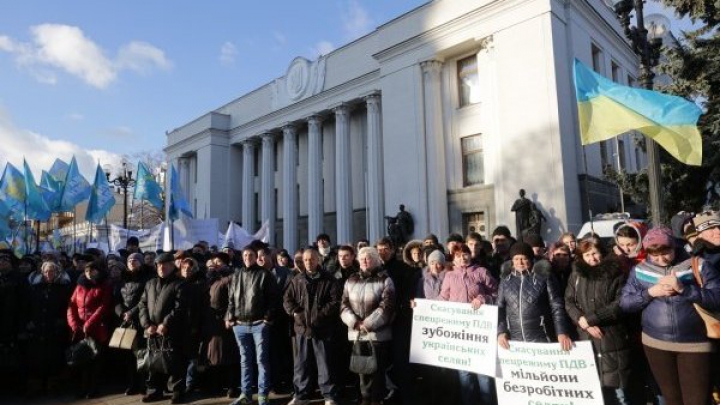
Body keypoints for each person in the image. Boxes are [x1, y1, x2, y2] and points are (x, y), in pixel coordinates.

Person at [621, 226, 720, 405]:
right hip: (656, 344)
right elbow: (625, 303)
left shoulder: (698, 264)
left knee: (698, 400)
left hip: (695, 344)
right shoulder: (639, 270)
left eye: (665, 252)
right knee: (672, 400)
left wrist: (684, 290)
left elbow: (717, 298)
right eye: (654, 254)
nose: (660, 259)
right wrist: (651, 292)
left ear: (674, 246)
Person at [565, 240, 631, 405]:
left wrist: (591, 319)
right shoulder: (577, 275)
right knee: (596, 395)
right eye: (587, 255)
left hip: (612, 339)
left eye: (594, 253)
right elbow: (569, 301)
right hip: (586, 339)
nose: (592, 258)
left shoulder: (616, 273)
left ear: (602, 253)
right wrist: (582, 321)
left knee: (620, 394)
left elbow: (619, 304)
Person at [439, 245, 498, 405]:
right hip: (459, 333)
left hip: (480, 331)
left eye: (465, 254)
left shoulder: (481, 272)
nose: (462, 258)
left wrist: (483, 299)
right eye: (458, 256)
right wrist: (421, 307)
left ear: (470, 255)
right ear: (453, 258)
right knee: (464, 374)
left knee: (483, 374)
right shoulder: (449, 276)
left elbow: (497, 293)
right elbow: (442, 299)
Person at [284, 249, 342, 405]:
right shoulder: (297, 280)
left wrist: (318, 317)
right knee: (301, 364)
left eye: (312, 259)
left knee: (325, 363)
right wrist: (296, 313)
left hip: (322, 329)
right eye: (306, 260)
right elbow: (287, 299)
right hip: (302, 329)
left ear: (318, 260)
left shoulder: (329, 279)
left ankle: (329, 396)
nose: (309, 262)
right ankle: (301, 395)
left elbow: (334, 302)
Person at [340, 247, 395, 405]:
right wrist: (354, 322)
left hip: (377, 335)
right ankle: (365, 399)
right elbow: (343, 304)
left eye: (369, 257)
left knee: (377, 372)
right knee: (361, 371)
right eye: (362, 258)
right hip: (357, 334)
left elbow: (388, 306)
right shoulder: (351, 279)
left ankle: (376, 400)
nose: (365, 260)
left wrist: (368, 324)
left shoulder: (385, 279)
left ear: (376, 259)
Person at [225, 247, 278, 405]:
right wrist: (230, 317)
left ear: (256, 257)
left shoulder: (264, 275)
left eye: (251, 255)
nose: (248, 257)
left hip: (258, 324)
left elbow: (273, 299)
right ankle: (245, 394)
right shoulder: (236, 275)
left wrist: (267, 319)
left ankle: (262, 394)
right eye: (245, 255)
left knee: (261, 360)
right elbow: (230, 299)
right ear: (242, 257)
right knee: (245, 361)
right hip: (239, 325)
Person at [497, 242, 573, 349]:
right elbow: (499, 308)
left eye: (523, 258)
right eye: (516, 258)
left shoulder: (544, 276)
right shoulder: (505, 280)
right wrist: (501, 332)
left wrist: (561, 332)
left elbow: (556, 306)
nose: (520, 262)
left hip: (542, 337)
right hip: (514, 340)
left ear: (530, 259)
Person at [139, 252, 187, 404]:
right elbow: (142, 305)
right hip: (152, 331)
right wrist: (146, 324)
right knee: (154, 362)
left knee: (174, 361)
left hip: (172, 330)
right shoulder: (150, 283)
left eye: (165, 264)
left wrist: (166, 323)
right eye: (159, 265)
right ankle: (154, 390)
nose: (161, 267)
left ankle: (177, 391)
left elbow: (180, 307)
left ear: (172, 266)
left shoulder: (180, 283)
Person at [377, 237, 419, 405]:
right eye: (379, 249)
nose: (383, 252)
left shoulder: (403, 268)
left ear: (392, 250)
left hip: (400, 321)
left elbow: (408, 294)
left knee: (400, 360)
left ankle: (406, 395)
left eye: (386, 249)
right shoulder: (377, 269)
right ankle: (389, 392)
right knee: (384, 361)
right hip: (381, 322)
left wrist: (400, 310)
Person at [67, 261, 113, 399]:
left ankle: (94, 388)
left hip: (97, 328)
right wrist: (74, 324)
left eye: (92, 271)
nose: (89, 274)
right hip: (80, 329)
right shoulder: (79, 286)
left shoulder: (104, 285)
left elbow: (104, 306)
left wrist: (89, 323)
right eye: (87, 271)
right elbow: (72, 306)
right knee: (82, 360)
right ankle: (82, 388)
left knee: (95, 359)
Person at [25, 260, 72, 395]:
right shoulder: (35, 287)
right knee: (37, 357)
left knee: (54, 356)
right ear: (42, 273)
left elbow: (67, 307)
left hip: (55, 327)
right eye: (46, 271)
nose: (48, 274)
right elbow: (28, 306)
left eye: (51, 271)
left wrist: (62, 321)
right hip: (38, 326)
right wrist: (29, 321)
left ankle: (53, 385)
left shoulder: (63, 288)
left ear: (56, 273)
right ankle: (37, 385)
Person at [115, 252, 153, 396]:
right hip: (125, 321)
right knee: (128, 356)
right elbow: (116, 299)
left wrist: (132, 312)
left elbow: (145, 299)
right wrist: (121, 313)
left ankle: (143, 384)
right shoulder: (122, 279)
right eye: (130, 260)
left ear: (141, 262)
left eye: (135, 260)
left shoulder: (147, 278)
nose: (132, 261)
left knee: (142, 353)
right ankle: (132, 384)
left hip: (140, 320)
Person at [203, 252, 239, 398]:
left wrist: (229, 316)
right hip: (211, 322)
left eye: (218, 261)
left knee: (228, 355)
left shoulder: (229, 277)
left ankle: (232, 386)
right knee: (213, 356)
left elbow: (233, 299)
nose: (215, 264)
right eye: (214, 261)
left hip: (225, 321)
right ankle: (215, 385)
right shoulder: (211, 277)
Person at [178, 257, 207, 395]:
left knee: (192, 357)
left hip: (193, 325)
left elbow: (201, 308)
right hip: (179, 325)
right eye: (183, 268)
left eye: (189, 269)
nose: (186, 271)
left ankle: (190, 383)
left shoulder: (200, 284)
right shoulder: (178, 283)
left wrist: (196, 325)